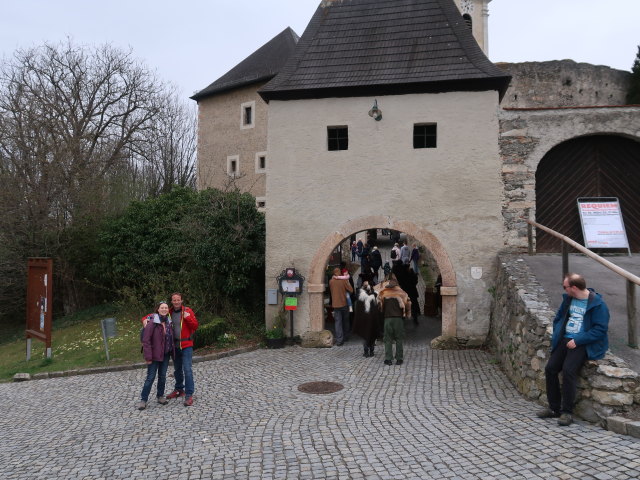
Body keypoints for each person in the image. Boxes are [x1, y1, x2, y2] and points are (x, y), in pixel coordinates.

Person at [537, 273, 609, 426]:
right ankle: (554, 408)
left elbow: (600, 330)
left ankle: (567, 412)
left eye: (565, 287)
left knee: (569, 370)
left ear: (574, 288)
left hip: (582, 342)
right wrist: (559, 333)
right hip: (565, 339)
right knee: (550, 369)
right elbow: (559, 318)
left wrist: (578, 340)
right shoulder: (569, 299)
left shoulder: (598, 304)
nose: (564, 290)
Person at [144, 293, 199, 406]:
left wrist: (188, 318)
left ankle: (189, 395)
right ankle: (179, 389)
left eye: (178, 300)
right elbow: (151, 316)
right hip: (174, 346)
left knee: (187, 370)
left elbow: (195, 326)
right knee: (177, 369)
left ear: (182, 300)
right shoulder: (169, 311)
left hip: (186, 345)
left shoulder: (188, 311)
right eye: (174, 300)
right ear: (172, 301)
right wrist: (144, 319)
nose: (176, 302)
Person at [138, 301, 174, 410]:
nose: (164, 309)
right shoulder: (152, 322)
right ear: (158, 309)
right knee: (150, 377)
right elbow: (146, 340)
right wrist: (148, 357)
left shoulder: (169, 321)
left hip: (165, 354)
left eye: (166, 308)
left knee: (162, 376)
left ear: (168, 310)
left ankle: (160, 396)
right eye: (162, 308)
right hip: (153, 355)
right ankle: (143, 400)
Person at [377, 278, 411, 365]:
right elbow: (408, 304)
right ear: (397, 284)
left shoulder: (383, 293)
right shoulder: (402, 293)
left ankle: (388, 359)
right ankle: (399, 359)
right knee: (399, 339)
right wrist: (407, 314)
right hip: (398, 319)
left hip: (388, 319)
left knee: (387, 339)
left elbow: (379, 305)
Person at [352, 282, 381, 358]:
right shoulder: (374, 297)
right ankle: (371, 351)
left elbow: (358, 311)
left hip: (364, 320)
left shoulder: (360, 298)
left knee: (365, 335)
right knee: (372, 334)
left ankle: (366, 352)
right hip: (372, 320)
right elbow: (377, 310)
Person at [329, 267, 353, 346]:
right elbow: (351, 290)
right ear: (340, 273)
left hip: (336, 305)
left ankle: (339, 340)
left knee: (338, 322)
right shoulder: (343, 281)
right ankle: (346, 336)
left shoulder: (331, 282)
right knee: (345, 321)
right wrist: (347, 282)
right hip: (344, 304)